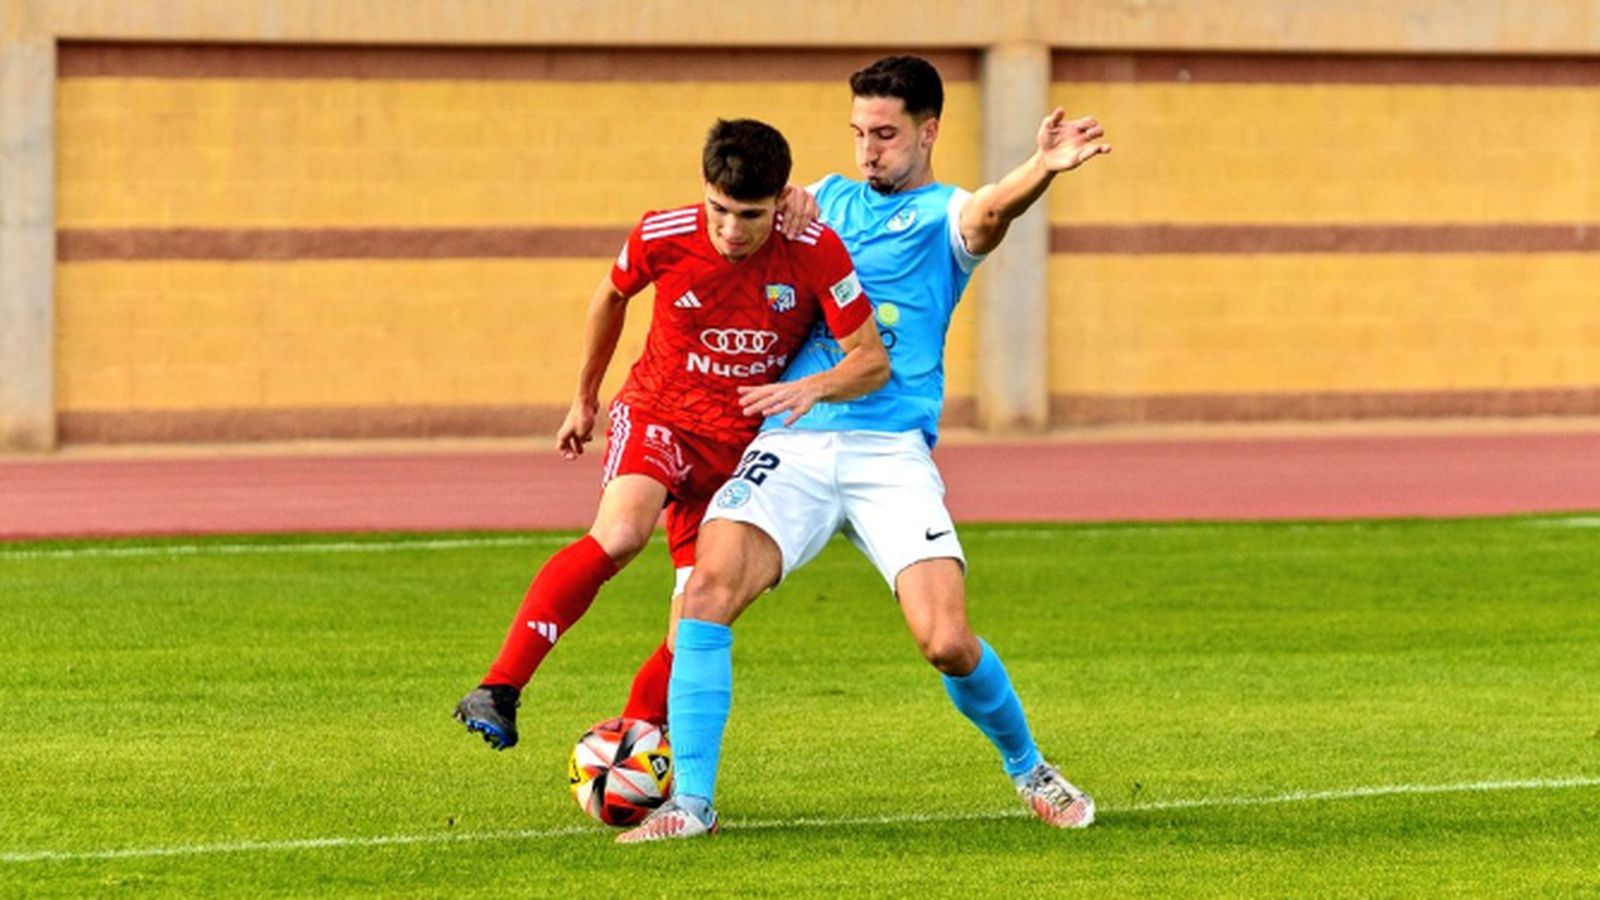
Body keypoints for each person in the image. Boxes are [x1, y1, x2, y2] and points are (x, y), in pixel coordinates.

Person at [617, 55, 1111, 842]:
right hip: (794, 442)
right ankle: (692, 805)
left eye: (884, 135)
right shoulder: (822, 201)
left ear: (928, 132)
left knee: (946, 642)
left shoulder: (946, 216)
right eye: (858, 133)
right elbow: (748, 223)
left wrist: (1041, 169)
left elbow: (990, 213)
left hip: (888, 451)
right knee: (705, 591)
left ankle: (1030, 768)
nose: (867, 150)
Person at [454, 118, 888, 750]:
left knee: (698, 615)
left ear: (780, 200)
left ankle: (633, 742)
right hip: (660, 415)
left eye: (750, 215)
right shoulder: (663, 233)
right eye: (719, 209)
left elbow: (870, 360)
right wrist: (584, 398)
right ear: (703, 190)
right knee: (621, 534)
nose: (731, 230)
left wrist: (813, 389)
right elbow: (610, 296)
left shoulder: (815, 247)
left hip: (741, 452)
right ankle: (499, 687)